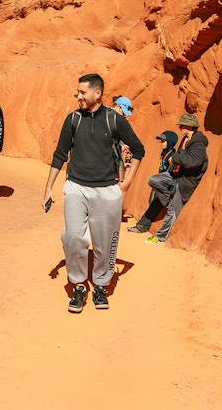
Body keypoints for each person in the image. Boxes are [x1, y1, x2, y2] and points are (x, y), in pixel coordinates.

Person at [42, 73, 145, 313]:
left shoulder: (113, 120)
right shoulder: (72, 120)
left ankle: (100, 284)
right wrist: (48, 187)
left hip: (106, 189)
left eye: (82, 92)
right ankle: (78, 284)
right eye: (78, 92)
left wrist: (128, 181)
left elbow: (139, 149)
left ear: (97, 94)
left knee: (104, 242)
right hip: (76, 186)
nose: (78, 96)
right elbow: (60, 153)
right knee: (74, 237)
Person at [143, 113, 208, 244]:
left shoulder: (198, 142)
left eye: (182, 125)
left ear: (189, 127)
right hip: (177, 174)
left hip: (187, 180)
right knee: (154, 180)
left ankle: (161, 236)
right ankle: (167, 202)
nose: (180, 128)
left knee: (173, 210)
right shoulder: (185, 140)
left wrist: (176, 158)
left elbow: (195, 161)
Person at [127, 129, 179, 233]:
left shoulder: (173, 155)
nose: (162, 143)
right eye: (161, 141)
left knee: (155, 204)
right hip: (160, 183)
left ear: (170, 141)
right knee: (153, 203)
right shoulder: (164, 153)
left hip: (167, 187)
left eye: (164, 141)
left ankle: (141, 226)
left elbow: (172, 174)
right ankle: (141, 225)